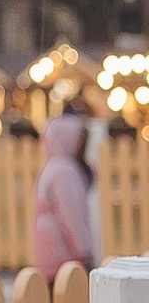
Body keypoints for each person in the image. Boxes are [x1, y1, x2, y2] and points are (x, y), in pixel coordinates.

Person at [32, 112, 99, 280]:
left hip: (49, 254)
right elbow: (72, 215)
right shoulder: (65, 171)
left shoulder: (51, 167)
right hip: (65, 256)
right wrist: (85, 252)